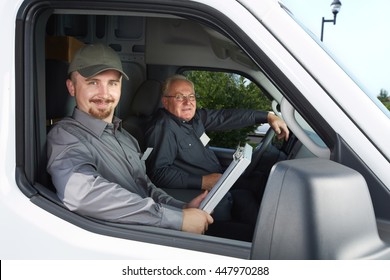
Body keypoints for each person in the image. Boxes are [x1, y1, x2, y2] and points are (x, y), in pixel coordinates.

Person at [46, 44, 213, 235]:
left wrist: (182, 208)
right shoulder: (65, 136)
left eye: (112, 83)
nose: (104, 93)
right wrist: (175, 219)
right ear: (72, 87)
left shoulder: (126, 137)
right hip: (125, 241)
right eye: (93, 82)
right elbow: (82, 193)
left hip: (150, 230)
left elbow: (146, 187)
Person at [144, 74, 289, 240]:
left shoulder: (194, 118)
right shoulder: (162, 128)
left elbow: (225, 117)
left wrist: (267, 116)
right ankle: (269, 241)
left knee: (261, 182)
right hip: (204, 194)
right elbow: (158, 173)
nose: (188, 102)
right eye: (179, 97)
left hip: (219, 181)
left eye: (191, 96)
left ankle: (274, 236)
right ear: (165, 101)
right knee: (250, 211)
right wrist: (203, 181)